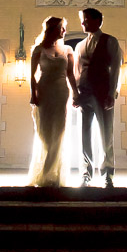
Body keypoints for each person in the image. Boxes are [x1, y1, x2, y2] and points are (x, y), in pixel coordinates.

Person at [26, 16, 79, 187]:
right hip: (44, 91)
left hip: (61, 92)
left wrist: (76, 93)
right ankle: (45, 170)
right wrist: (33, 94)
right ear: (52, 29)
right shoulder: (39, 50)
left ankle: (52, 175)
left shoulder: (68, 50)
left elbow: (71, 75)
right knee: (45, 133)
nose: (64, 31)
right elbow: (33, 75)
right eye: (61, 28)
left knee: (60, 131)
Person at [73, 7, 122, 188]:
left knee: (105, 134)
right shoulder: (79, 46)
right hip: (84, 94)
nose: (83, 23)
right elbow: (77, 71)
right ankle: (86, 173)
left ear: (97, 21)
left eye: (86, 19)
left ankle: (107, 173)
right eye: (82, 20)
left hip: (103, 94)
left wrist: (112, 93)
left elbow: (116, 69)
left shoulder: (110, 41)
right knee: (84, 135)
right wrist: (75, 94)